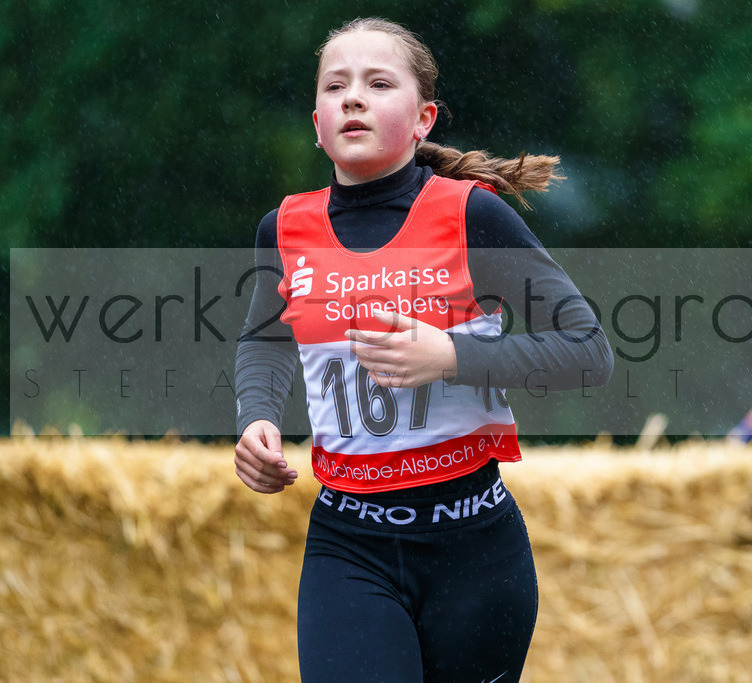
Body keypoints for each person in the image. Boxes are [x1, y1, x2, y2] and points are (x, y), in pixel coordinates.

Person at [233, 17, 613, 682]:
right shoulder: (284, 228)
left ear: (423, 119)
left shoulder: (474, 215)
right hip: (349, 548)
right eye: (335, 86)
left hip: (475, 550)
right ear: (317, 122)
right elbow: (265, 339)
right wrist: (257, 416)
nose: (353, 97)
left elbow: (588, 351)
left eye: (379, 83)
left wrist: (452, 357)